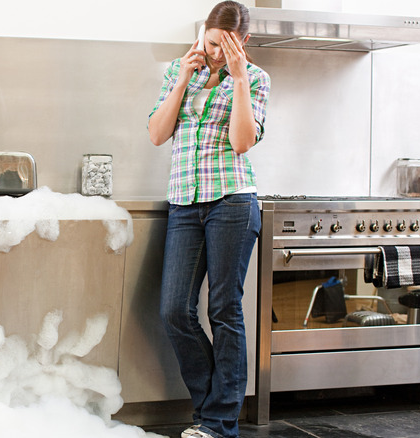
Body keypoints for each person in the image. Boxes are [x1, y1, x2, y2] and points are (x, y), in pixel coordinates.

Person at [147, 2, 270, 438]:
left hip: (232, 202)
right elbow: (158, 133)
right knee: (174, 311)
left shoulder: (255, 79)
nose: (217, 52)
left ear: (244, 43)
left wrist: (237, 78)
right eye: (212, 42)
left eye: (227, 45)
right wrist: (182, 77)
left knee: (224, 310)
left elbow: (241, 142)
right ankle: (210, 410)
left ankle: (217, 424)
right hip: (184, 203)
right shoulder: (180, 73)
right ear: (203, 34)